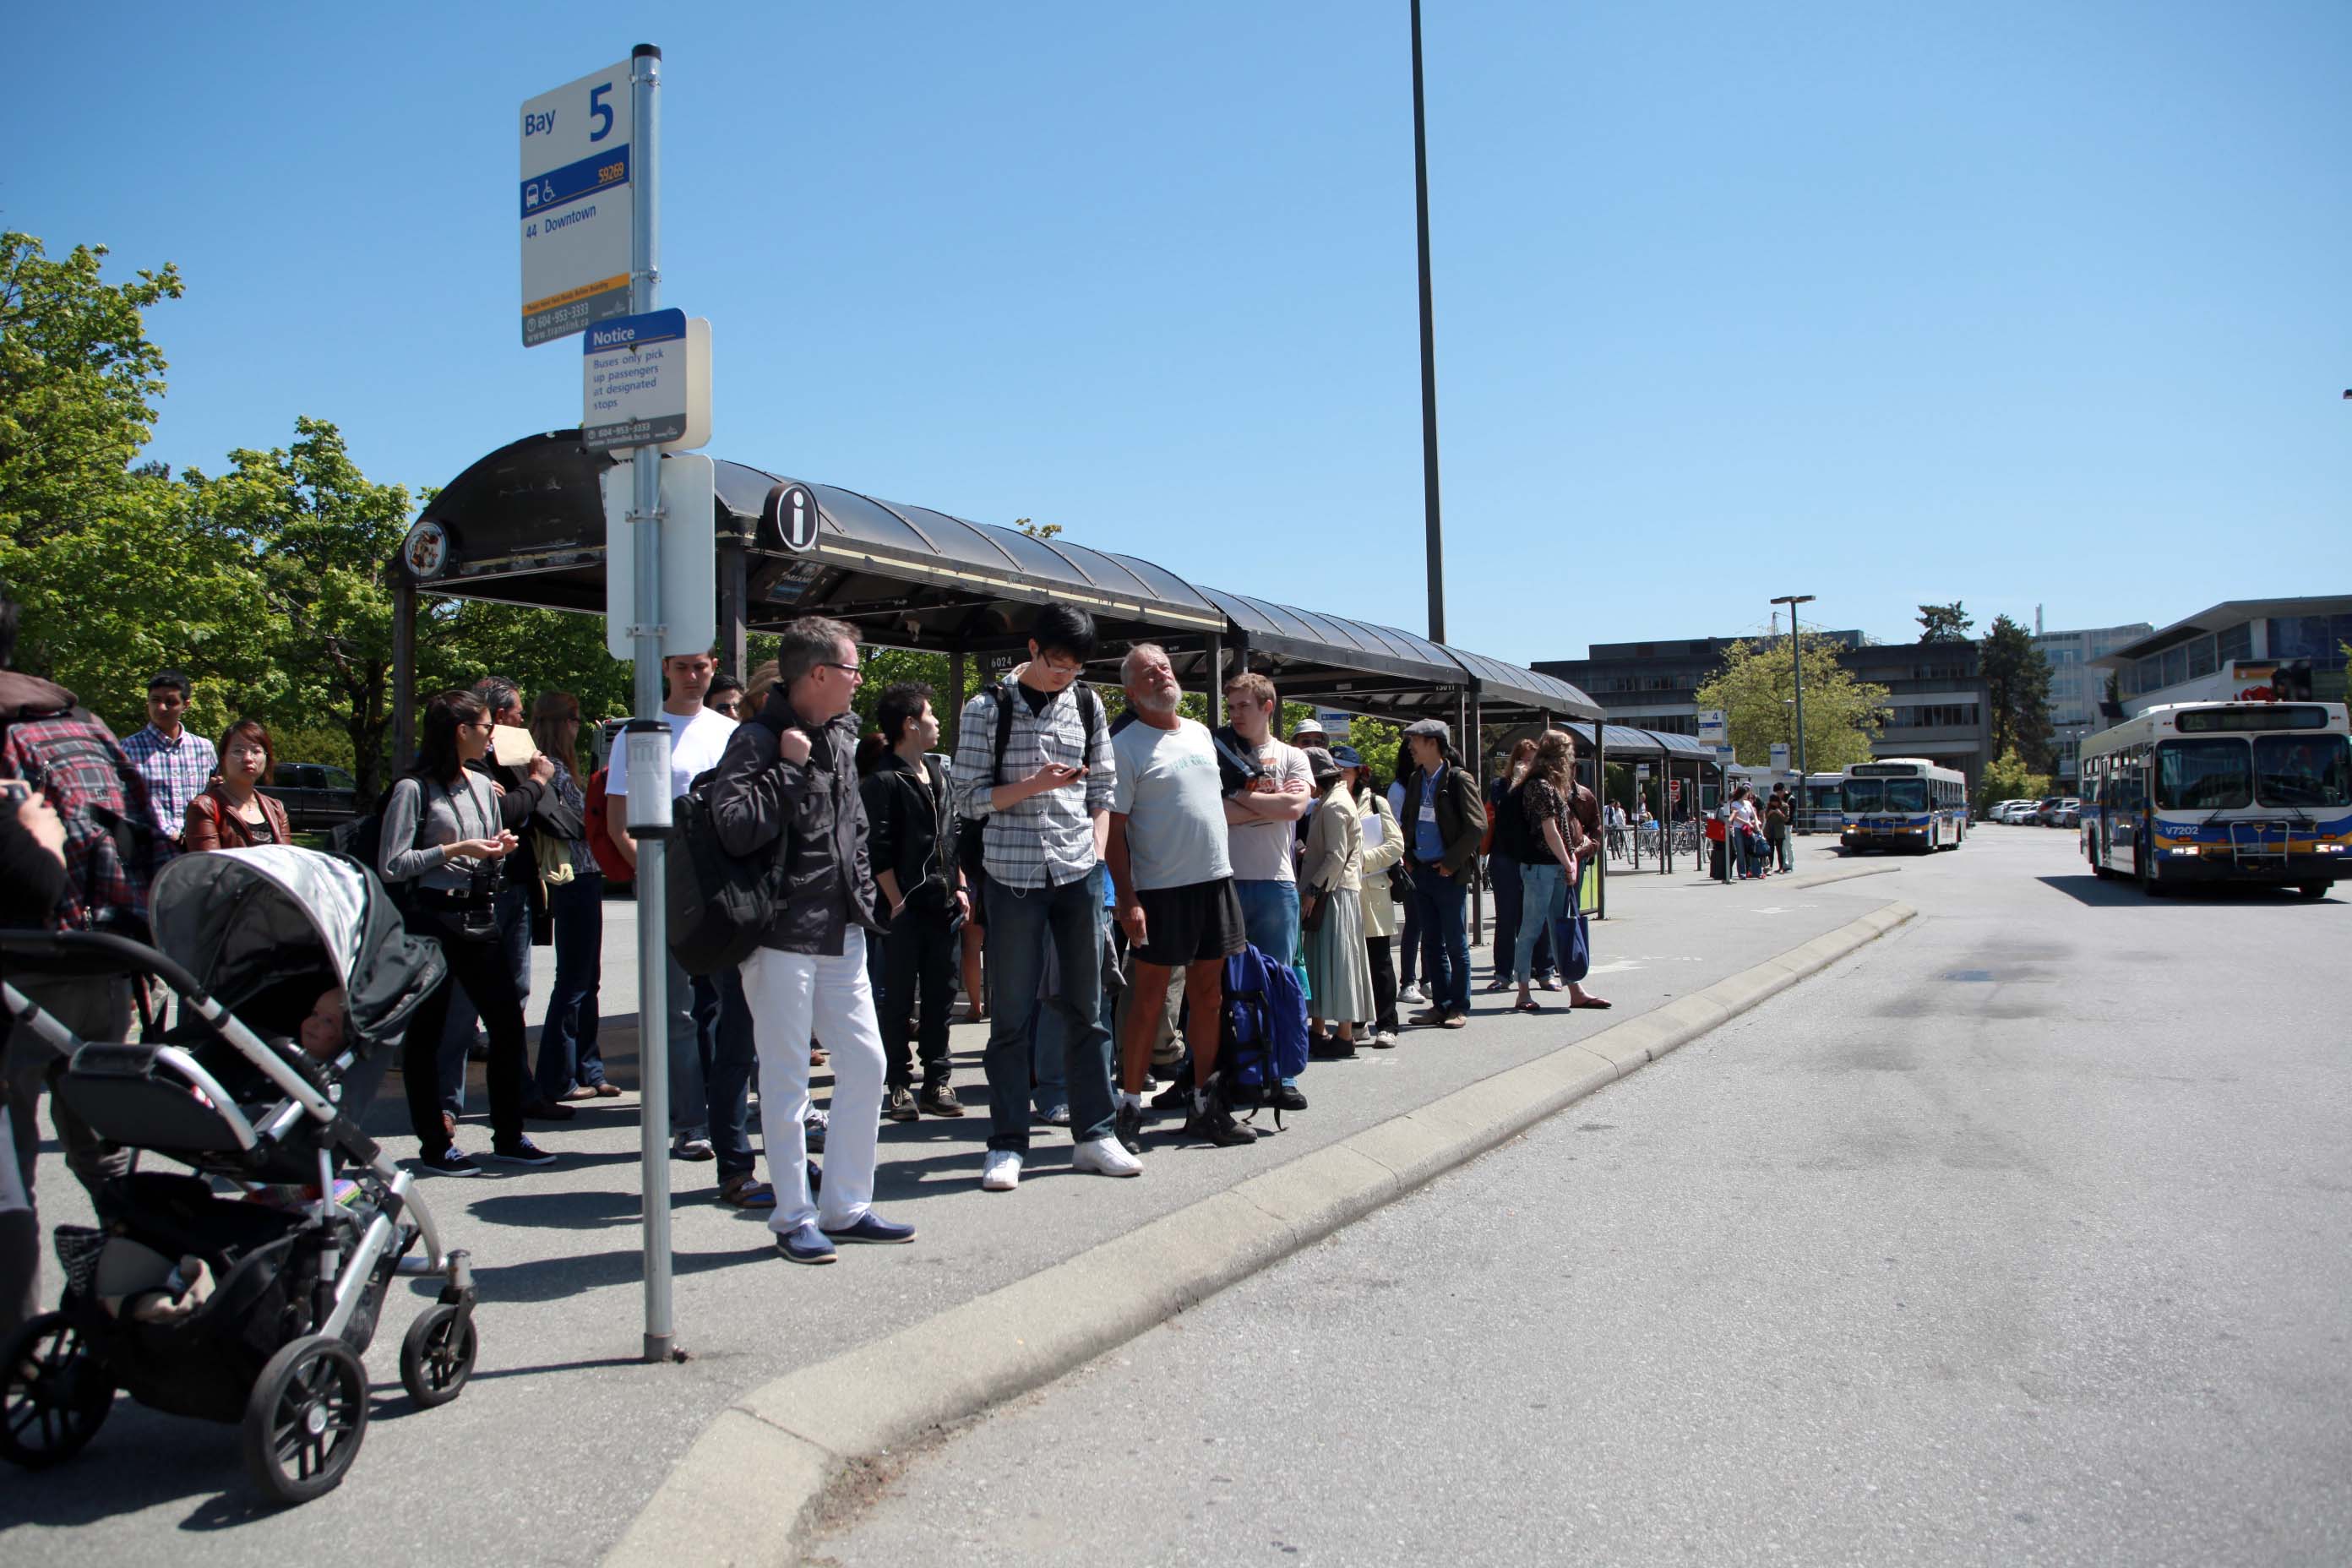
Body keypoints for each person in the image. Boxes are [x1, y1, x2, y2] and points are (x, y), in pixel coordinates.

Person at [709, 615, 913, 1264]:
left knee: (868, 1065)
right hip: (778, 935)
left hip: (840, 930)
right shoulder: (758, 739)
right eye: (852, 669)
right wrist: (788, 770)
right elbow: (733, 825)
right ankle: (794, 1217)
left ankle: (845, 1206)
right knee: (786, 1079)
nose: (859, 681)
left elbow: (853, 825)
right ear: (819, 673)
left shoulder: (841, 735)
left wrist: (865, 894)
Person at [1, 591, 149, 1340]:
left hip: (22, 970)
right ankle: (144, 1301)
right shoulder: (85, 726)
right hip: (106, 962)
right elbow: (143, 831)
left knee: (12, 1174)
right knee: (104, 1153)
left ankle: (15, 1343)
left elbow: (24, 873)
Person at [953, 604, 1130, 1192]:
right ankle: (1007, 1143)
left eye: (1076, 666)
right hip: (1012, 875)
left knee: (1089, 1010)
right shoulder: (986, 707)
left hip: (1079, 872)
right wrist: (1033, 785)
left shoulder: (1088, 703)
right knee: (1011, 1017)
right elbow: (968, 798)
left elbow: (1104, 788)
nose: (1065, 675)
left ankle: (1095, 1134)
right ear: (1032, 648)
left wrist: (1097, 856)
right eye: (1057, 662)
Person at [381, 689, 556, 1174]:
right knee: (429, 1032)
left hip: (480, 913)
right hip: (432, 919)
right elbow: (393, 863)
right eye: (485, 727)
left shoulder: (481, 782)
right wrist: (457, 850)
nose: (492, 735)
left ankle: (509, 1135)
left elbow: (490, 838)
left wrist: (499, 846)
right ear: (461, 732)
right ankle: (435, 1145)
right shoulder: (412, 789)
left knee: (507, 1025)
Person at [1105, 644, 1254, 1155]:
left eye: (1164, 668)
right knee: (1148, 1001)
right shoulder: (1123, 745)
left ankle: (1204, 1106)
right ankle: (1128, 1108)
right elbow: (1113, 833)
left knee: (1209, 997)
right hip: (1160, 892)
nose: (1161, 676)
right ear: (1131, 691)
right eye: (1148, 673)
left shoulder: (1198, 734)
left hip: (1215, 883)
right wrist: (1127, 898)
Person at [604, 650, 742, 1163]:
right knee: (675, 1013)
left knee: (734, 1008)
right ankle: (690, 1122)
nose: (691, 676)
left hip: (723, 890)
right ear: (663, 668)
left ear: (713, 667)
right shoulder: (638, 734)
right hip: (668, 889)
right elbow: (620, 825)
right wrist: (658, 877)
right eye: (681, 667)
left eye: (700, 667)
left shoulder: (730, 733)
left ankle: (730, 1115)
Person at [435, 677, 570, 1130]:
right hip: (479, 895)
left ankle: (517, 1097)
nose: (518, 721)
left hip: (518, 888)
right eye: (513, 713)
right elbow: (506, 813)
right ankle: (445, 1106)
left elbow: (527, 808)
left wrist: (530, 784)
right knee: (464, 1004)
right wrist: (536, 783)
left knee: (513, 1001)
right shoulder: (466, 767)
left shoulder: (510, 759)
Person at [860, 681, 966, 1122]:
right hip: (903, 909)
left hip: (944, 905)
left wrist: (960, 886)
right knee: (898, 998)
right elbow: (876, 850)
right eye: (930, 715)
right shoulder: (882, 780)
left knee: (941, 997)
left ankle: (937, 1080)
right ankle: (898, 1083)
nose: (937, 722)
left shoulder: (938, 773)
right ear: (910, 724)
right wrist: (896, 901)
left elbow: (952, 837)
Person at [1220, 671, 1315, 1107]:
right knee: (1226, 984)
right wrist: (1268, 803)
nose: (1235, 714)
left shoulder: (1293, 756)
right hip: (1226, 880)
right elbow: (1214, 812)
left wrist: (1239, 796)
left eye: (1244, 706)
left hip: (1277, 883)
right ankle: (1235, 1071)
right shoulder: (1218, 751)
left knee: (1279, 981)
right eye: (1231, 706)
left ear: (1267, 707)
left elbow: (1295, 807)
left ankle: (1282, 1075)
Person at [527, 691, 616, 1104]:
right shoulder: (549, 768)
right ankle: (557, 1075)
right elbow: (567, 821)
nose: (579, 728)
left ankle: (588, 1067)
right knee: (574, 981)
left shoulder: (560, 767)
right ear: (563, 723)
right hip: (571, 876)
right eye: (576, 720)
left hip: (585, 874)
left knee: (586, 978)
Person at [1511, 730, 1614, 1013]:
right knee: (1533, 928)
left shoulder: (1547, 784)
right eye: (1569, 754)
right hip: (1541, 866)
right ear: (1559, 755)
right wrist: (1569, 862)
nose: (1572, 760)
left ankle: (1574, 988)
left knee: (1559, 927)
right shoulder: (1541, 785)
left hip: (1550, 865)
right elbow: (1551, 831)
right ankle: (1523, 991)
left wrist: (1568, 860)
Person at [1399, 718, 1484, 1029]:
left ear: (1433, 743)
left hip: (1448, 874)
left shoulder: (1459, 779)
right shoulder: (1415, 779)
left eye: (1415, 741)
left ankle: (1459, 1007)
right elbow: (1408, 819)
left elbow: (1477, 827)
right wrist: (1408, 856)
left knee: (1455, 944)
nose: (1410, 747)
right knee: (1432, 943)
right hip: (1421, 872)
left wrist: (1451, 862)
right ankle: (1441, 1005)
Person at [1299, 746, 1375, 1058]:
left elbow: (1335, 856)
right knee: (1324, 961)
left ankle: (1343, 1035)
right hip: (1333, 891)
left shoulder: (1333, 805)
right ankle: (1321, 1030)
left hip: (1334, 893)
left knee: (1338, 963)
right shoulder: (1332, 801)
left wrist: (1312, 891)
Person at [1341, 748, 1405, 1046]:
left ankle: (1388, 1024)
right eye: (1335, 770)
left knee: (1379, 961)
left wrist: (1362, 860)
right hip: (1341, 891)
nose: (1340, 776)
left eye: (1346, 770)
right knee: (1349, 961)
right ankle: (1357, 1023)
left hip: (1372, 889)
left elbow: (1395, 845)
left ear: (1358, 773)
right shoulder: (1325, 802)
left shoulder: (1376, 802)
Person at [1484, 738, 1554, 994]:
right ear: (1513, 762)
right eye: (1522, 760)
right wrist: (1516, 784)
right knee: (1506, 917)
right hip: (1504, 857)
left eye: (1531, 760)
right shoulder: (1500, 786)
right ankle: (1503, 974)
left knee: (1538, 915)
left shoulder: (1542, 786)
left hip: (1534, 857)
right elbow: (1502, 815)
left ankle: (1545, 971)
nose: (1526, 765)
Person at [119, 668, 215, 853]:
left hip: (196, 851)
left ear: (186, 705)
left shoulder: (203, 748)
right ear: (147, 702)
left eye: (171, 702)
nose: (161, 708)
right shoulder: (127, 749)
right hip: (148, 852)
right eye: (155, 700)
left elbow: (213, 797)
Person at [182, 720, 291, 851]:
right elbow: (209, 862)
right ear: (223, 759)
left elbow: (286, 859)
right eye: (238, 751)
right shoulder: (204, 807)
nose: (248, 758)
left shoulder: (276, 809)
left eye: (256, 751)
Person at [1387, 742, 1425, 1005]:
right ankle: (1408, 982)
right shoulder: (1399, 788)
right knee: (1414, 923)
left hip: (1430, 861)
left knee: (1430, 925)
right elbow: (1396, 828)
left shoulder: (1429, 782)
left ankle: (1429, 978)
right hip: (1410, 862)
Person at [1766, 784, 1794, 873]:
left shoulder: (1785, 806)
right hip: (1770, 829)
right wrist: (1770, 813)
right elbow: (1766, 817)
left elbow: (1787, 818)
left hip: (1780, 830)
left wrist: (1779, 813)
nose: (1774, 804)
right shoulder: (1769, 806)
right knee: (1770, 849)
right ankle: (1770, 867)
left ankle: (1783, 867)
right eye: (1772, 802)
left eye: (1775, 802)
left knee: (1780, 849)